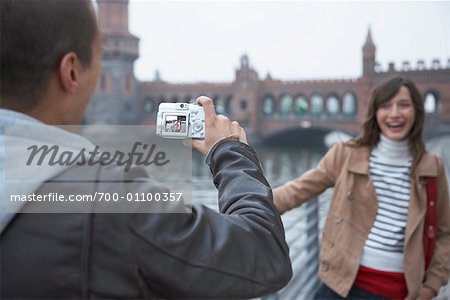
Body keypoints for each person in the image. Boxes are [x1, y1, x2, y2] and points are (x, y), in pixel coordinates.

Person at [0, 0, 292, 298]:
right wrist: (228, 152)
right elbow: (263, 253)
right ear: (71, 73)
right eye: (97, 60)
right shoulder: (113, 199)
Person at [273, 76, 450, 299]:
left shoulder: (432, 167)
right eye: (386, 106)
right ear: (375, 113)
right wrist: (245, 207)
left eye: (403, 105)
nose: (395, 113)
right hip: (340, 286)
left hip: (402, 292)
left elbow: (445, 233)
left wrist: (431, 286)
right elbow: (296, 191)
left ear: (416, 110)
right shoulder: (346, 154)